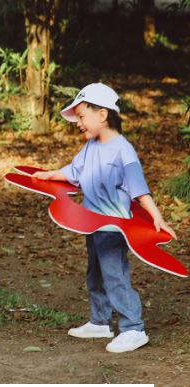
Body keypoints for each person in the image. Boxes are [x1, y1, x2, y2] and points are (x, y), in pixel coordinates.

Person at [32, 82, 177, 353]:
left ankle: (134, 328)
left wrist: (156, 216)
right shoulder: (91, 148)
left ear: (102, 115)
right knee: (95, 273)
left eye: (82, 116)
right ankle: (100, 321)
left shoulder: (124, 150)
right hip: (92, 222)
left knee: (115, 275)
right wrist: (51, 174)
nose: (78, 122)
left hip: (114, 226)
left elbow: (138, 188)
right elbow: (74, 171)